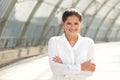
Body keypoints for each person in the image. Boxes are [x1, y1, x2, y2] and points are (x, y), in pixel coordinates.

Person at [48, 8, 96, 80]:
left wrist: (63, 66)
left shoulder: (88, 43)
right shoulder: (54, 41)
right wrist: (81, 67)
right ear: (63, 23)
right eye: (69, 23)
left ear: (80, 24)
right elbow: (55, 69)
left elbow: (90, 72)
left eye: (76, 23)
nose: (72, 27)